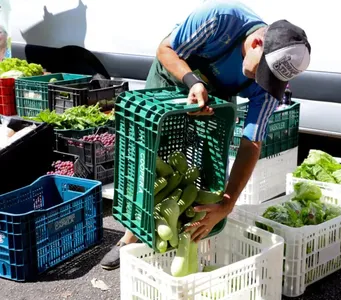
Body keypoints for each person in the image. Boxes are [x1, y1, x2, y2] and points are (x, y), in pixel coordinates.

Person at [100, 0, 311, 270]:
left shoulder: (270, 88)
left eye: (271, 79)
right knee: (150, 155)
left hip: (217, 96)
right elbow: (165, 49)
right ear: (257, 43)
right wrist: (193, 82)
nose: (262, 81)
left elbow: (252, 143)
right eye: (262, 72)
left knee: (207, 164)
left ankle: (190, 234)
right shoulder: (221, 18)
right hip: (174, 76)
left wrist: (228, 203)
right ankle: (131, 236)